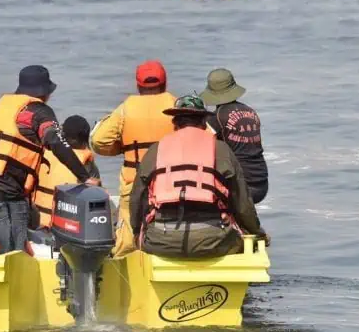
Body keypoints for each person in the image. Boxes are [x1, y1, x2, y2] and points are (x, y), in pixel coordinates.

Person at [0, 66, 100, 255]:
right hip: (5, 195)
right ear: (44, 92)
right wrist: (84, 176)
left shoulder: (4, 106)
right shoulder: (39, 111)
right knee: (15, 254)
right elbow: (55, 140)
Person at [130, 94, 267, 258]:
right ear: (203, 123)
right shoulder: (221, 149)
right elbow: (242, 203)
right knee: (245, 241)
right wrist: (257, 232)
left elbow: (137, 199)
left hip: (161, 241)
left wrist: (137, 231)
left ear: (174, 123)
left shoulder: (155, 150)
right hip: (214, 241)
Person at [90, 60, 176, 256]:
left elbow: (98, 141)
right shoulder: (175, 105)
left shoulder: (126, 108)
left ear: (138, 86)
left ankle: (125, 274)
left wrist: (122, 147)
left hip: (133, 181)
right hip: (171, 183)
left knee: (128, 236)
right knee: (170, 228)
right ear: (165, 84)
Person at [201, 69, 269, 204]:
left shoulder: (216, 118)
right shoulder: (250, 112)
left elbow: (203, 149)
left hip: (240, 187)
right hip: (261, 182)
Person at [32, 115, 101, 228]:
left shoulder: (43, 153)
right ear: (81, 139)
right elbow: (95, 199)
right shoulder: (86, 163)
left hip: (36, 223)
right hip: (63, 227)